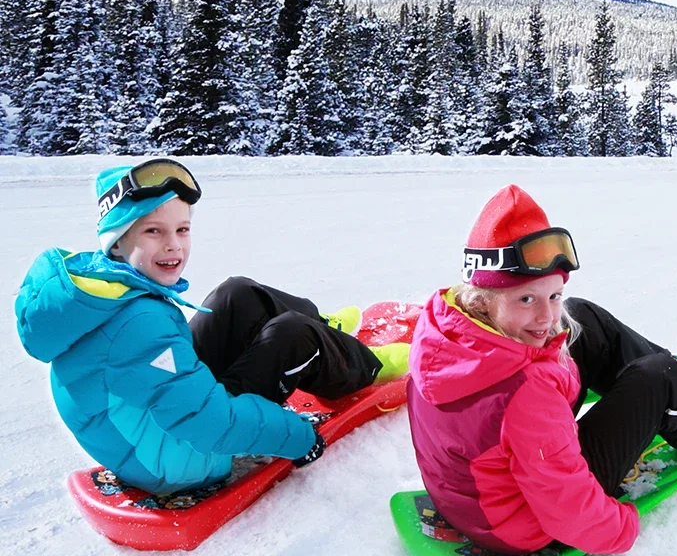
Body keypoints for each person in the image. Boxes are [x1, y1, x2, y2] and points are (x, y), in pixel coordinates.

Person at [407, 185, 677, 556]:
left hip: (474, 497)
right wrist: (625, 526)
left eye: (552, 294)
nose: (546, 316)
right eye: (526, 299)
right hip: (523, 523)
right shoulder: (525, 394)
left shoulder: (442, 325)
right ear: (484, 298)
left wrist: (543, 315)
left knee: (581, 319)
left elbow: (513, 410)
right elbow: (570, 512)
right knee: (657, 376)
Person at [15, 158, 409, 495]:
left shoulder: (99, 289)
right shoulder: (143, 324)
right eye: (153, 231)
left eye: (181, 229)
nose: (174, 245)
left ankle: (325, 327)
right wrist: (297, 437)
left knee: (235, 294)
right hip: (183, 460)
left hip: (153, 427)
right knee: (293, 335)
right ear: (116, 242)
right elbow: (208, 424)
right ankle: (363, 363)